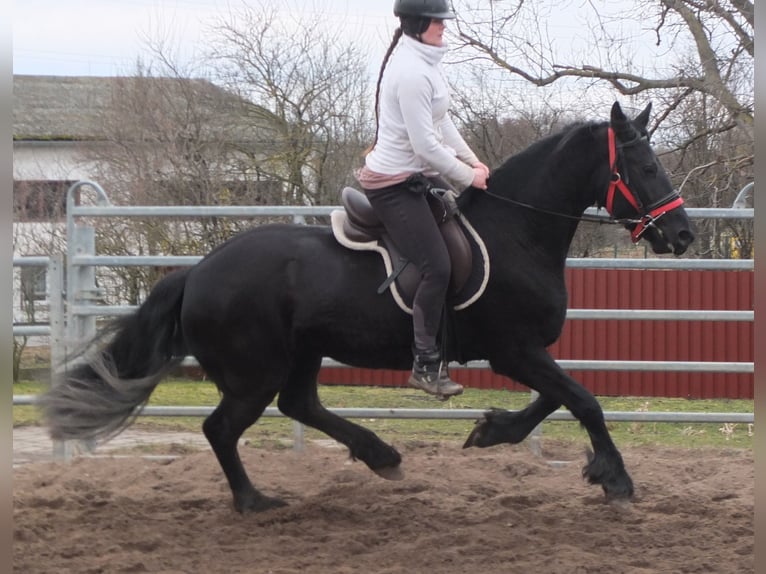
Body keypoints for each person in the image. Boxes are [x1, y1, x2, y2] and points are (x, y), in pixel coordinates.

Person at [356, 0, 490, 398]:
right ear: (418, 24)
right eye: (438, 21)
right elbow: (426, 146)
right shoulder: (412, 73)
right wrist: (467, 177)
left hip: (417, 177)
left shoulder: (427, 65)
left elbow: (441, 121)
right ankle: (425, 364)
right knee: (437, 267)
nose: (443, 26)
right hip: (393, 186)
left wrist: (473, 160)